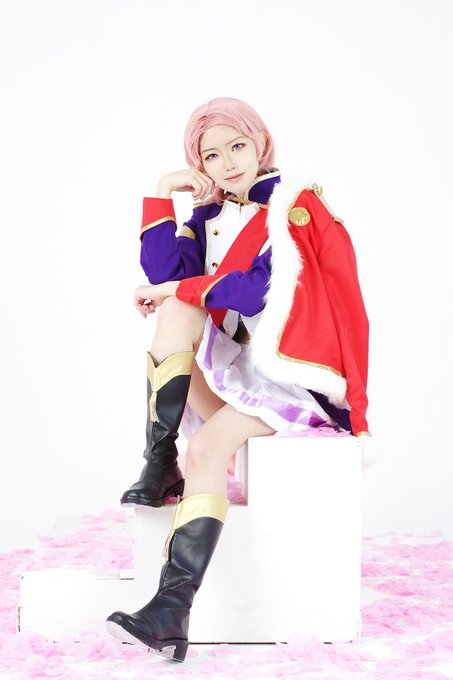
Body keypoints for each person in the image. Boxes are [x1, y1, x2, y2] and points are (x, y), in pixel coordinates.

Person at [105, 97, 371, 662]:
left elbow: (254, 292)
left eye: (237, 146)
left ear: (260, 144)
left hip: (290, 378)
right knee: (176, 308)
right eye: (211, 155)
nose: (227, 163)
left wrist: (173, 290)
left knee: (204, 448)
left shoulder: (292, 206)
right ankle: (158, 462)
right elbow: (162, 273)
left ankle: (171, 609)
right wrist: (163, 191)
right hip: (238, 372)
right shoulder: (210, 216)